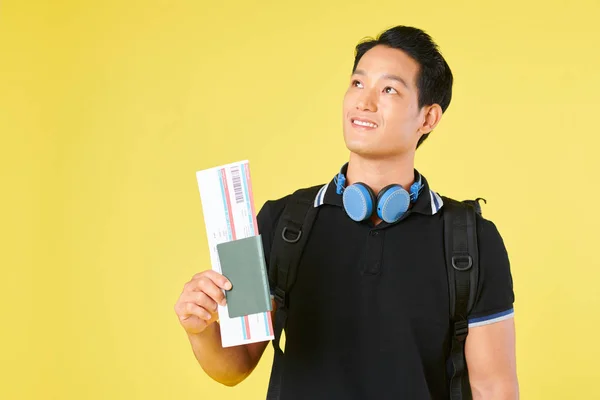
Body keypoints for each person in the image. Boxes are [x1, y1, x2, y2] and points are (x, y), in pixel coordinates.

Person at [174, 25, 518, 399]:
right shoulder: (280, 221)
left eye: (389, 89)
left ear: (428, 118)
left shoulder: (471, 240)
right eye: (357, 83)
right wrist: (200, 329)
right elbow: (235, 366)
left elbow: (493, 387)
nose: (364, 102)